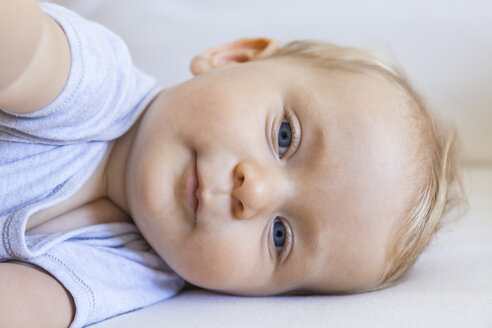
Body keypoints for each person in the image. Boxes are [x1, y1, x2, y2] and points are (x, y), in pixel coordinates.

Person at [0, 1, 466, 327]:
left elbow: (23, 308)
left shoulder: (131, 277)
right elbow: (21, 52)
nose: (255, 194)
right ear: (232, 58)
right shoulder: (96, 83)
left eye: (281, 236)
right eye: (285, 137)